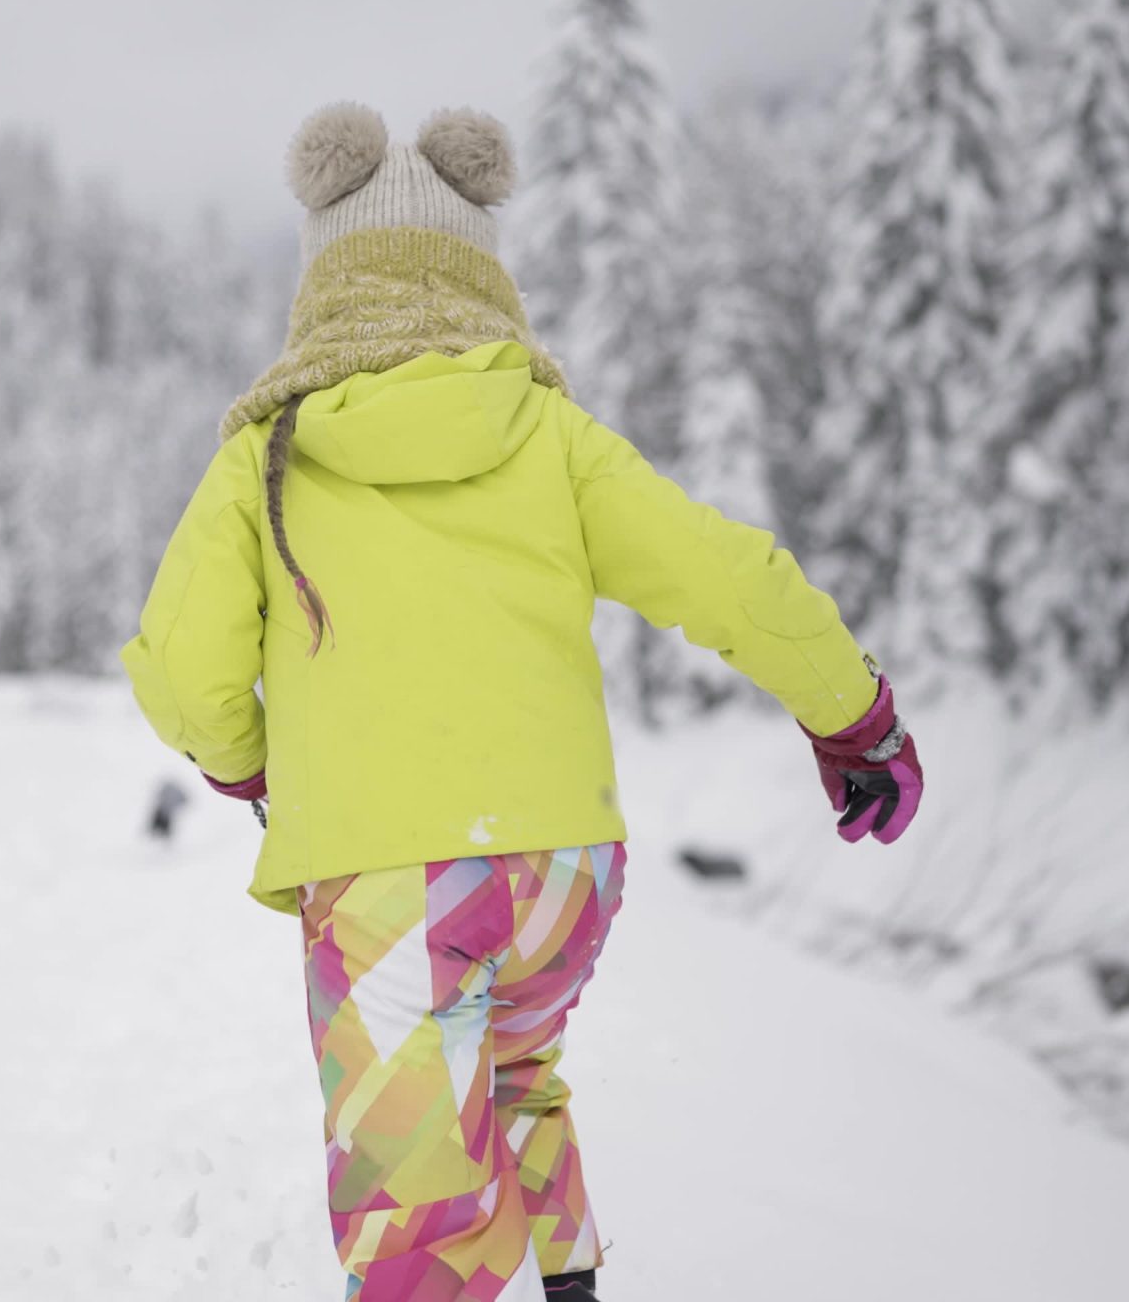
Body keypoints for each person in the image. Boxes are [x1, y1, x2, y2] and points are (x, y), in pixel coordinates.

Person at [120, 101, 924, 1302]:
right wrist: (852, 715)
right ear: (480, 274)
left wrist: (251, 766)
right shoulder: (549, 435)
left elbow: (183, 668)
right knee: (510, 1079)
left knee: (417, 1211)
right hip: (560, 873)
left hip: (390, 881)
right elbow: (729, 577)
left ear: (322, 284)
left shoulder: (271, 453)